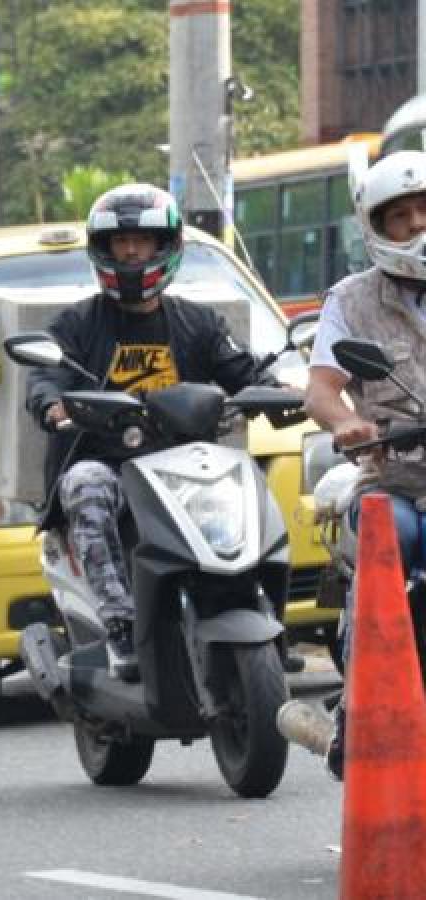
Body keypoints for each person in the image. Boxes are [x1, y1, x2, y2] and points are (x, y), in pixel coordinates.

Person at [27, 183, 277, 680]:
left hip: (183, 467)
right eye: (121, 243)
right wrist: (54, 404)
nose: (132, 251)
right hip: (108, 462)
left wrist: (275, 391)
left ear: (167, 246)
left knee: (246, 481)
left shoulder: (198, 322)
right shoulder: (77, 325)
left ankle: (259, 609)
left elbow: (242, 369)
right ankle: (119, 624)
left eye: (143, 241)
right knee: (85, 484)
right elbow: (44, 376)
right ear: (103, 250)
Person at [301, 149, 426, 779]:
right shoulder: (352, 300)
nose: (417, 224)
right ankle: (357, 705)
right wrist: (346, 421)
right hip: (396, 477)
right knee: (388, 537)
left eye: (425, 209)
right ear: (376, 227)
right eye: (400, 215)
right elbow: (322, 387)